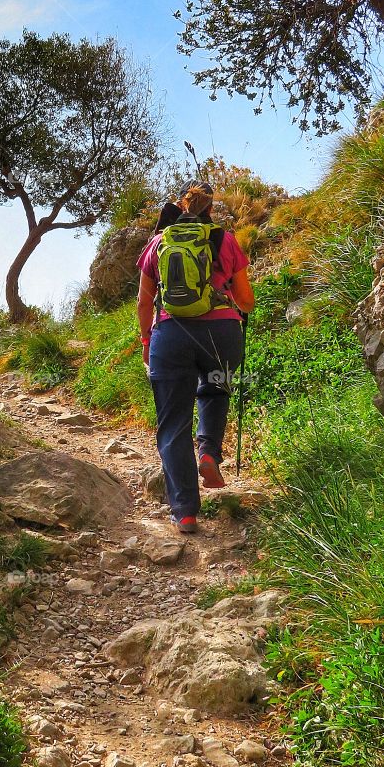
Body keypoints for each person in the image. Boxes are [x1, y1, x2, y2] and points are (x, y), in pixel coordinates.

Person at [137, 181, 255, 533]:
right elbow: (246, 300)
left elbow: (144, 302)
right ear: (210, 209)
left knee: (172, 423)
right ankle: (208, 453)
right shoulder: (224, 240)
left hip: (171, 336)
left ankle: (185, 512)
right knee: (216, 389)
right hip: (222, 334)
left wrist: (147, 340)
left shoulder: (158, 243)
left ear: (181, 205)